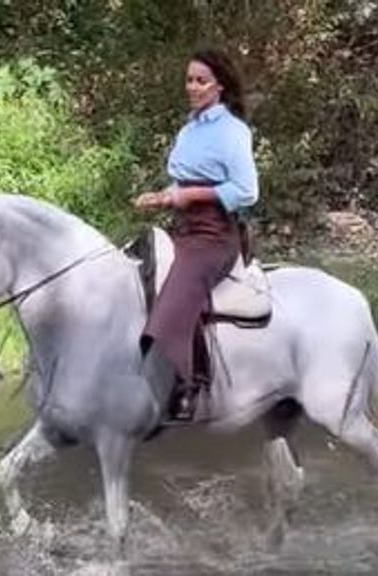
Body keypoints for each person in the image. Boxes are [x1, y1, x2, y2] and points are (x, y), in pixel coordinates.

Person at [134, 47, 259, 422]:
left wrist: (190, 195)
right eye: (189, 79)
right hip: (183, 227)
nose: (193, 86)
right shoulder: (188, 130)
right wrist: (163, 196)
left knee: (179, 287)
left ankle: (187, 385)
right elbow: (181, 181)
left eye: (201, 80)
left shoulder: (233, 131)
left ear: (219, 86)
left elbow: (246, 190)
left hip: (215, 234)